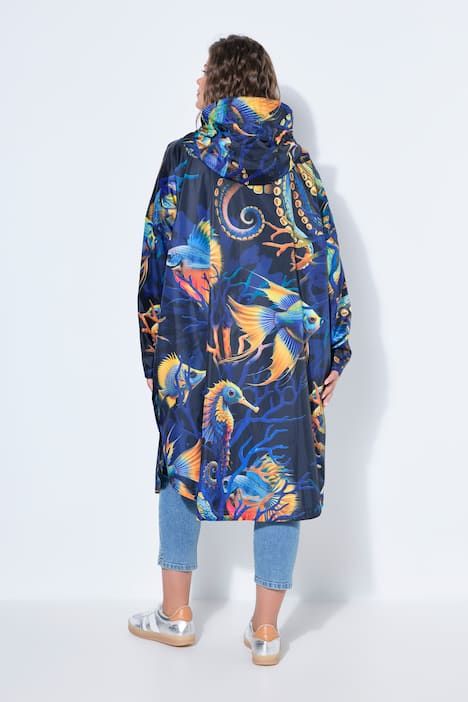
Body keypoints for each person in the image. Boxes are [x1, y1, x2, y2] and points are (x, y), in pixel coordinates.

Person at [128, 34, 352, 666]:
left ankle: (175, 615)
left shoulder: (183, 158)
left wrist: (152, 348)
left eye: (204, 72)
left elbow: (155, 260)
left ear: (220, 81)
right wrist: (332, 351)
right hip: (280, 351)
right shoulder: (298, 166)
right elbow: (324, 264)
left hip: (191, 342)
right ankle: (266, 630)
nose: (196, 82)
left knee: (183, 459)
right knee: (279, 470)